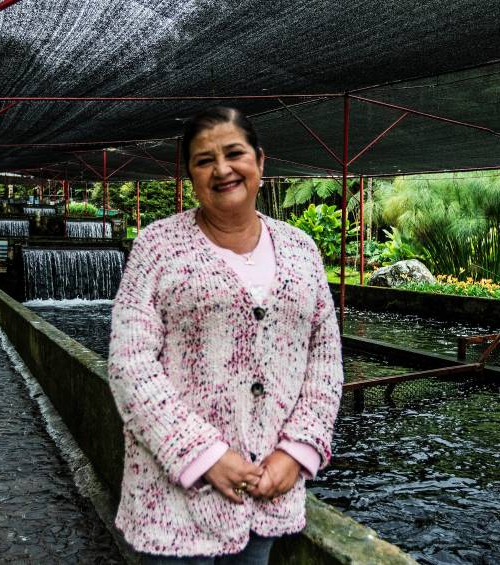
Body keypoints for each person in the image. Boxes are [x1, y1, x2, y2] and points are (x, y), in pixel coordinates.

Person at [108, 106, 343, 564]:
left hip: (266, 490)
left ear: (259, 160)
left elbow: (325, 359)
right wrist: (204, 454)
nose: (222, 169)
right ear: (190, 175)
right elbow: (129, 364)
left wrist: (295, 453)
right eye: (203, 160)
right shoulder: (156, 247)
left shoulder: (301, 250)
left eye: (234, 153)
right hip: (174, 498)